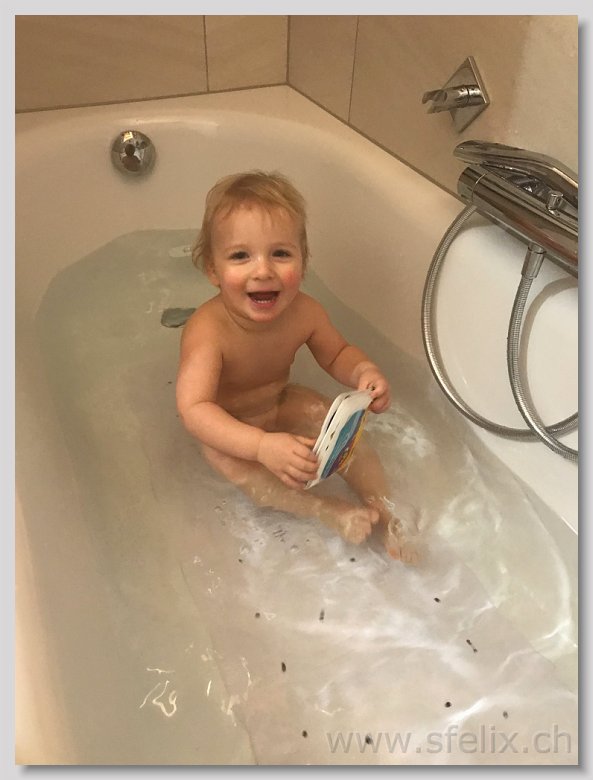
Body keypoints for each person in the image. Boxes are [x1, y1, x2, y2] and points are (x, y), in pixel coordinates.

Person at [176, 171, 417, 562]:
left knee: (332, 421)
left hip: (279, 401)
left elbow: (336, 354)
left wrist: (363, 373)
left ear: (303, 263)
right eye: (240, 256)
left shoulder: (305, 312)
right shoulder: (208, 331)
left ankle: (383, 507)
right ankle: (327, 509)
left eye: (280, 254)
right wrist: (259, 446)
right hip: (229, 426)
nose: (263, 271)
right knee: (240, 468)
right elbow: (194, 409)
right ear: (213, 270)